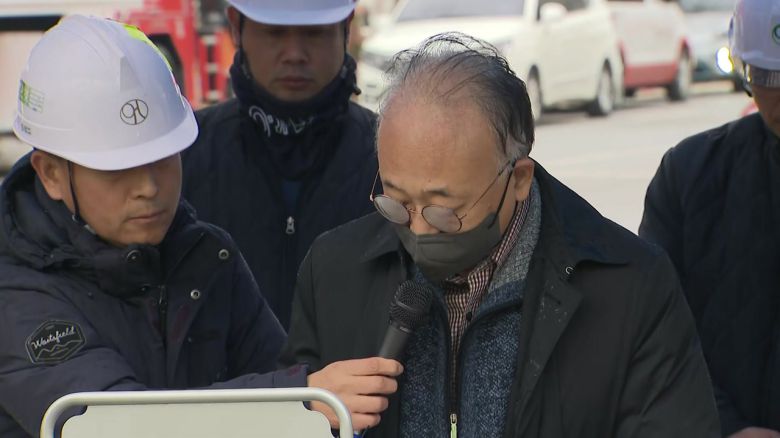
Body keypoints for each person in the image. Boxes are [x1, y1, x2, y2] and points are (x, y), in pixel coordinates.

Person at [281, 32, 720, 437]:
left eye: (444, 210)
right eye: (396, 201)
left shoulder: (629, 287)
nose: (417, 229)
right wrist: (303, 411)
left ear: (519, 178)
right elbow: (273, 415)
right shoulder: (333, 270)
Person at [0, 16, 399, 437]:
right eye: (117, 169)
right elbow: (108, 427)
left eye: (163, 158)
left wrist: (305, 400)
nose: (148, 187)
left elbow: (280, 386)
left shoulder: (207, 256)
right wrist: (303, 397)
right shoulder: (14, 291)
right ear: (51, 174)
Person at [181, 0, 378, 329]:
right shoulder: (181, 159)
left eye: (314, 32)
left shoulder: (392, 160)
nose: (294, 54)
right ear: (236, 25)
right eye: (274, 32)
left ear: (346, 28)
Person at [640, 0, 780, 436]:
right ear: (746, 75)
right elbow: (650, 330)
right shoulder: (688, 175)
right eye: (770, 78)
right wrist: (725, 425)